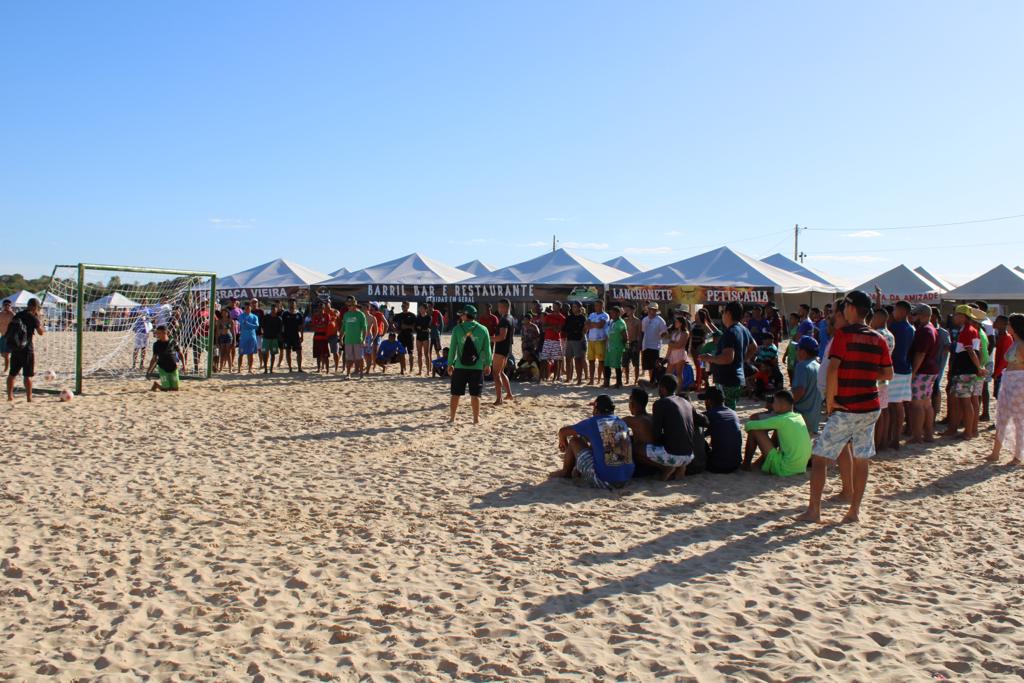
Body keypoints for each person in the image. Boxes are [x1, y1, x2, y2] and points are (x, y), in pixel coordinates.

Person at [797, 290, 893, 524]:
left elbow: (833, 369)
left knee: (820, 457)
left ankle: (814, 511)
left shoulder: (844, 335)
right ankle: (853, 512)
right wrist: (866, 371)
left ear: (850, 309)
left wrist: (830, 401)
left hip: (847, 406)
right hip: (870, 405)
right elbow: (887, 373)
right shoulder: (878, 338)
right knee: (862, 458)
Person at [551, 394, 634, 489]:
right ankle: (576, 470)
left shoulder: (593, 422)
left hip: (604, 480)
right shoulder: (621, 422)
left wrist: (563, 442)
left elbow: (563, 432)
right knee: (593, 441)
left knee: (575, 441)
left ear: (596, 409)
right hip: (626, 478)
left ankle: (565, 472)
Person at [698, 301, 755, 410]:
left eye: (723, 312)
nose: (722, 315)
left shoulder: (730, 332)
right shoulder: (743, 329)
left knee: (725, 410)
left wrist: (709, 357)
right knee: (730, 408)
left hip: (727, 379)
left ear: (728, 313)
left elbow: (727, 358)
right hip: (736, 377)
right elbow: (754, 347)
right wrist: (742, 360)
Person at [942, 305, 987, 440]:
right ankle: (970, 430)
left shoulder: (967, 330)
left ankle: (967, 432)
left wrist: (979, 368)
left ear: (962, 316)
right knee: (968, 401)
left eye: (956, 315)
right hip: (968, 370)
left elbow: (971, 352)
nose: (954, 317)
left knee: (965, 402)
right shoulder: (972, 329)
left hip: (964, 371)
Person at [745, 390, 812, 476]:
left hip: (784, 468)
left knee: (755, 430)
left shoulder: (781, 420)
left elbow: (749, 425)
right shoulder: (799, 417)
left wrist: (764, 430)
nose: (772, 405)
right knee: (778, 431)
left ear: (781, 404)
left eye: (774, 402)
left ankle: (746, 465)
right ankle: (759, 463)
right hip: (801, 467)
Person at [641, 375, 695, 480]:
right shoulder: (686, 402)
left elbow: (656, 434)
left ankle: (665, 468)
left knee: (638, 448)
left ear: (662, 388)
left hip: (672, 455)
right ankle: (680, 468)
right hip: (689, 456)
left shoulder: (660, 403)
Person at [988, 313, 1024, 466]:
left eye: (1009, 324)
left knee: (1018, 420)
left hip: (1018, 382)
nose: (1007, 326)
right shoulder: (1014, 342)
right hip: (1009, 381)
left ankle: (1017, 456)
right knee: (1002, 415)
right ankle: (995, 453)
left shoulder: (1021, 344)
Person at [447, 304, 493, 424]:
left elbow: (452, 348)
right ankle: (476, 419)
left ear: (466, 315)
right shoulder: (483, 329)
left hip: (460, 366)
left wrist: (450, 363)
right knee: (475, 395)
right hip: (477, 367)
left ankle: (452, 418)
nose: (461, 316)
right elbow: (487, 349)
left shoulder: (457, 329)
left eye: (462, 314)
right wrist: (488, 364)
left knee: (455, 393)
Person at [908, 303, 939, 443]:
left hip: (922, 370)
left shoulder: (924, 331)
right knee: (926, 404)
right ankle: (928, 434)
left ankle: (917, 436)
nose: (914, 317)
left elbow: (920, 353)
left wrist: (913, 371)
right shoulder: (931, 328)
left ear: (922, 315)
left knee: (917, 404)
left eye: (916, 314)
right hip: (931, 370)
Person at [886, 300, 915, 449]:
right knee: (899, 405)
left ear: (903, 311)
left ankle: (893, 438)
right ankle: (895, 437)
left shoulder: (896, 327)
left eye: (895, 310)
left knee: (893, 406)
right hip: (906, 369)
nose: (893, 313)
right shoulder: (911, 328)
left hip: (896, 369)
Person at [5, 298, 44, 402]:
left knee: (12, 374)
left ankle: (10, 396)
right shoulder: (33, 317)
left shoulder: (18, 315)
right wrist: (38, 319)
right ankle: (29, 398)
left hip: (16, 348)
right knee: (27, 375)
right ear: (35, 307)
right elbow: (41, 332)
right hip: (27, 349)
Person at [698, 385, 742, 473]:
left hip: (717, 466)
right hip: (736, 464)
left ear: (709, 401)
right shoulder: (733, 413)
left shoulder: (710, 414)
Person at [791, 336, 822, 434]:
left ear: (803, 352)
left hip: (800, 417)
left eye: (798, 349)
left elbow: (799, 392)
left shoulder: (802, 366)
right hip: (814, 419)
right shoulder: (819, 366)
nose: (796, 352)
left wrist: (785, 402)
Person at [490, 298, 515, 404]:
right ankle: (509, 394)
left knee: (496, 374)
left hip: (501, 349)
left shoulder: (504, 319)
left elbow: (502, 336)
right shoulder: (511, 318)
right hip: (507, 348)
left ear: (504, 307)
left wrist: (489, 338)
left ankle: (499, 399)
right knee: (501, 372)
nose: (498, 309)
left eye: (499, 307)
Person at [144, 324, 181, 392]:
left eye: (159, 333)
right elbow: (154, 358)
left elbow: (180, 353)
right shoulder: (156, 344)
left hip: (173, 367)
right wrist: (148, 371)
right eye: (156, 333)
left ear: (165, 333)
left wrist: (184, 365)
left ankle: (163, 385)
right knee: (166, 389)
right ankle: (156, 385)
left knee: (176, 389)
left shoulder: (173, 342)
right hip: (162, 367)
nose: (157, 335)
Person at [640, 303, 668, 384]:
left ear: (656, 310)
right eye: (650, 309)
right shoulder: (644, 319)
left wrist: (660, 335)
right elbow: (643, 331)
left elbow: (665, 333)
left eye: (654, 310)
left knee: (655, 365)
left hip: (655, 346)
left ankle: (655, 381)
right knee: (648, 366)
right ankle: (652, 381)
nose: (652, 311)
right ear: (648, 310)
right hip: (646, 345)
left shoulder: (660, 320)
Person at [689, 308, 716, 391]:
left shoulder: (704, 324)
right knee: (698, 366)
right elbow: (690, 334)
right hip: (693, 346)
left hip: (700, 347)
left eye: (697, 314)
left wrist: (705, 338)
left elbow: (712, 333)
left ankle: (703, 384)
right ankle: (700, 382)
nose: (696, 315)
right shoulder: (693, 324)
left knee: (702, 367)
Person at [560, 301, 587, 385]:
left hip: (578, 340)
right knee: (568, 359)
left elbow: (584, 331)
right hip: (569, 340)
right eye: (573, 306)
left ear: (579, 307)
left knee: (578, 361)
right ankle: (568, 378)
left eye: (575, 306)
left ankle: (579, 379)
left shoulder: (582, 318)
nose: (573, 308)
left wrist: (582, 341)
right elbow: (564, 328)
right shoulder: (569, 317)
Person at [932, 307, 951, 420]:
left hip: (938, 365)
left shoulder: (942, 332)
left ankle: (935, 412)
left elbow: (947, 347)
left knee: (936, 387)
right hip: (930, 365)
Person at [341, 298, 369, 377]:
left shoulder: (360, 314)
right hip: (348, 340)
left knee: (359, 358)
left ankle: (361, 374)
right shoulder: (346, 314)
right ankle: (348, 374)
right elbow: (343, 328)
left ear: (354, 305)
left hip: (358, 340)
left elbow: (364, 328)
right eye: (347, 305)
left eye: (350, 305)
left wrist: (363, 340)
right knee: (348, 359)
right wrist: (340, 339)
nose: (348, 307)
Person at [540, 301, 566, 382]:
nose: (554, 307)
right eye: (553, 306)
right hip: (547, 339)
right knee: (544, 359)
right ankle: (542, 377)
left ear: (559, 307)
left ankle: (555, 377)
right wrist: (553, 326)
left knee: (556, 360)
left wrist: (549, 326)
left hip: (556, 340)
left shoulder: (562, 318)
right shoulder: (548, 316)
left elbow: (558, 330)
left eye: (556, 306)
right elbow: (543, 328)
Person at [586, 299, 610, 385]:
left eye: (598, 305)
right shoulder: (592, 314)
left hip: (600, 340)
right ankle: (592, 380)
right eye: (595, 305)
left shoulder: (605, 315)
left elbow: (600, 325)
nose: (596, 307)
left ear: (602, 306)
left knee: (601, 361)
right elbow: (586, 325)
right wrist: (594, 324)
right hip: (591, 340)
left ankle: (601, 379)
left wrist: (592, 324)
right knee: (591, 361)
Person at [603, 305, 628, 388]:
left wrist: (623, 346)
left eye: (613, 313)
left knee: (617, 365)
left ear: (618, 314)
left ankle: (619, 382)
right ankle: (606, 382)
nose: (611, 314)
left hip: (617, 347)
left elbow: (625, 337)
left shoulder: (621, 323)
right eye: (611, 313)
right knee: (607, 364)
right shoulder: (611, 322)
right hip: (609, 347)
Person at [665, 316, 690, 393]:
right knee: (668, 373)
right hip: (672, 354)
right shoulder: (674, 332)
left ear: (681, 323)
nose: (675, 323)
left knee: (679, 373)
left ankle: (678, 390)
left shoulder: (685, 333)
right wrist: (666, 357)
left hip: (680, 354)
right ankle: (668, 390)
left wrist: (671, 344)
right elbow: (672, 345)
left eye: (677, 322)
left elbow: (680, 345)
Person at [280, 299, 304, 373]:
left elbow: (301, 326)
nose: (292, 305)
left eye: (293, 303)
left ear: (295, 304)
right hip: (287, 336)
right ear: (288, 304)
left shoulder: (299, 314)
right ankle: (290, 368)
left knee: (299, 352)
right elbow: (282, 326)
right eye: (290, 303)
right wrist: (282, 337)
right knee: (288, 352)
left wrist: (302, 336)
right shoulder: (285, 314)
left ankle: (299, 368)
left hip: (296, 336)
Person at [236, 302, 260, 373]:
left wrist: (247, 324)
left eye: (249, 307)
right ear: (244, 308)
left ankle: (250, 369)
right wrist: (249, 325)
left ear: (251, 308)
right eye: (246, 308)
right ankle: (239, 369)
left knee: (251, 354)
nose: (247, 309)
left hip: (252, 337)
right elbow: (242, 325)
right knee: (241, 354)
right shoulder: (241, 316)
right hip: (243, 338)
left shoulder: (255, 316)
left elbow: (256, 327)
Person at [622, 303, 643, 385]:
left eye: (628, 310)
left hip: (634, 343)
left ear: (633, 310)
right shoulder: (624, 320)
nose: (626, 311)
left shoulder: (638, 321)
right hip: (626, 343)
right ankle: (627, 379)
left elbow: (639, 334)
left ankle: (635, 380)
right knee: (625, 363)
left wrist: (638, 345)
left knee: (636, 364)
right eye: (626, 310)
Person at [993, 314, 1013, 400]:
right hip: (1000, 372)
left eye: (997, 321)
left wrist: (997, 373)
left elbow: (1004, 359)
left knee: (1000, 397)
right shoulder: (1001, 336)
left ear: (1003, 324)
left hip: (1002, 373)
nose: (995, 322)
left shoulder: (1007, 338)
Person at [393, 302, 417, 373]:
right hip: (401, 336)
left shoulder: (412, 315)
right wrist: (395, 330)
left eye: (404, 306)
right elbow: (392, 323)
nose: (403, 307)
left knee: (410, 353)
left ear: (408, 306)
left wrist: (406, 326)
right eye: (402, 306)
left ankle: (411, 369)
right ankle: (402, 368)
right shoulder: (398, 315)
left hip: (409, 336)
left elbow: (414, 327)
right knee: (401, 353)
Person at [261, 303, 283, 373]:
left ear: (277, 310)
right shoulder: (266, 317)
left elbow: (280, 330)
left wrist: (279, 338)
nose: (273, 310)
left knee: (273, 354)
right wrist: (263, 333)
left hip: (274, 339)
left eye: (275, 309)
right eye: (272, 309)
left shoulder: (279, 319)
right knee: (264, 353)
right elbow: (262, 326)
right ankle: (265, 369)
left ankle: (271, 369)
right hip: (266, 338)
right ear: (271, 309)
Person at [415, 304, 433, 376]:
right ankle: (420, 371)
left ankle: (428, 371)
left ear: (426, 309)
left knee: (426, 354)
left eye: (422, 308)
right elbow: (416, 327)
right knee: (419, 354)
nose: (420, 310)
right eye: (420, 308)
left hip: (426, 336)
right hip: (419, 336)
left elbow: (427, 326)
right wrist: (420, 328)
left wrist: (421, 327)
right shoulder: (418, 317)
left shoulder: (428, 317)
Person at [0, 299, 14, 373]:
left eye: (8, 305)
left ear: (11, 306)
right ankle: (10, 361)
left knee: (6, 354)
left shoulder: (12, 315)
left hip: (10, 337)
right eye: (5, 305)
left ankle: (6, 369)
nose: (7, 306)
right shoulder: (0, 314)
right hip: (2, 336)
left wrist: (11, 312)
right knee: (3, 354)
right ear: (3, 306)